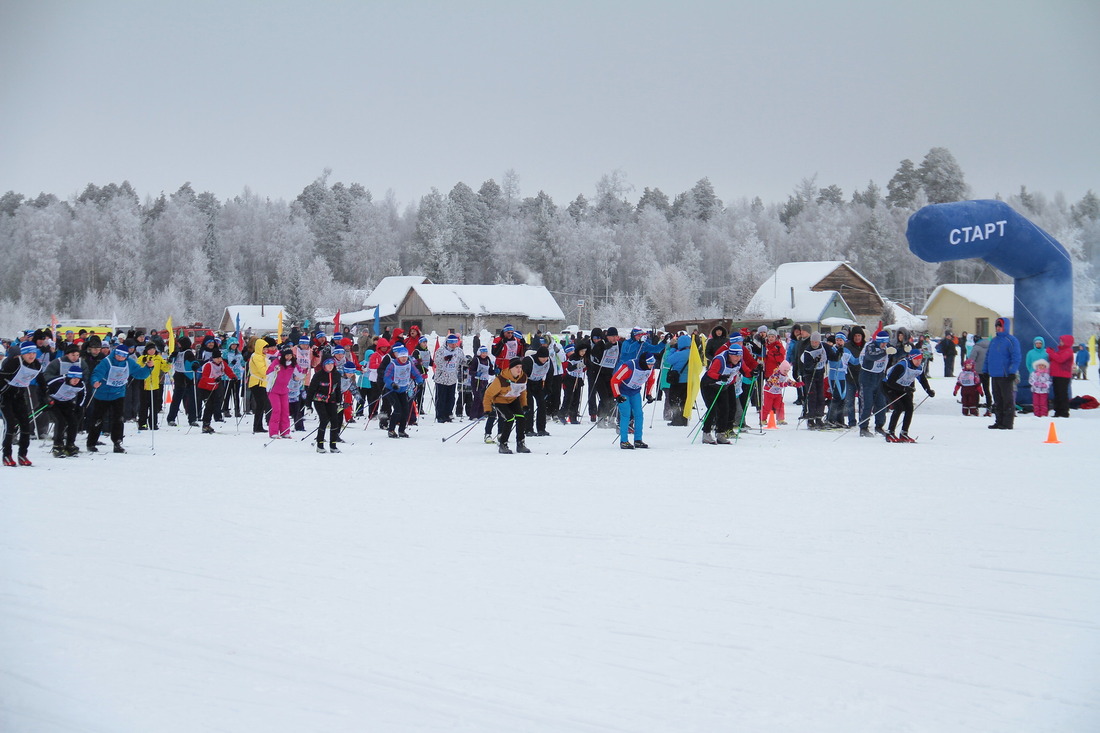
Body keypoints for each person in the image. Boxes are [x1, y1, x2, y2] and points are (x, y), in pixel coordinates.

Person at [86, 344, 153, 453]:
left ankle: (117, 442)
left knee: (118, 419)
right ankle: (91, 442)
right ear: (115, 353)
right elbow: (97, 373)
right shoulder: (106, 361)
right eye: (118, 355)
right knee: (98, 419)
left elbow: (139, 374)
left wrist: (148, 368)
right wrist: (95, 382)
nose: (120, 357)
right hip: (102, 394)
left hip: (118, 394)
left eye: (123, 356)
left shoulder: (129, 363)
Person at [1, 342, 43, 466]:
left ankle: (22, 455)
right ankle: (7, 455)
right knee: (11, 424)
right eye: (29, 353)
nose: (32, 356)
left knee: (25, 425)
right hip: (5, 397)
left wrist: (45, 395)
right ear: (23, 354)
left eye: (34, 353)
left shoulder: (36, 364)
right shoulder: (13, 362)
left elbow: (41, 380)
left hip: (19, 397)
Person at [882, 345, 934, 442]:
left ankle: (904, 433)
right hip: (888, 386)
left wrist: (928, 390)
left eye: (920, 359)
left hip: (902, 388)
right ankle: (890, 433)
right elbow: (890, 382)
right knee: (898, 407)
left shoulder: (919, 368)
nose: (919, 362)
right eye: (916, 359)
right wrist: (904, 388)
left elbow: (922, 380)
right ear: (911, 358)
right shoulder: (902, 365)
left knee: (909, 408)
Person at [483, 357, 530, 454]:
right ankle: (503, 444)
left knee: (521, 417)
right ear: (511, 368)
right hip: (500, 400)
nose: (519, 370)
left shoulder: (523, 377)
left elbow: (523, 391)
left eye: (520, 367)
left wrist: (524, 404)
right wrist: (487, 409)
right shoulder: (501, 379)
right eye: (516, 367)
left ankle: (520, 443)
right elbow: (488, 394)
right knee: (509, 418)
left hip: (513, 399)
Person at [611, 353, 657, 449]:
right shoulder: (629, 367)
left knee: (639, 414)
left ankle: (638, 440)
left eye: (653, 363)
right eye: (649, 363)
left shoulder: (650, 369)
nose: (651, 366)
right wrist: (617, 395)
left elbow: (651, 380)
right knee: (626, 414)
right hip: (623, 392)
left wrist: (648, 394)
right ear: (644, 362)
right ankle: (624, 441)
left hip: (635, 392)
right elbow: (615, 380)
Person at [699, 342, 743, 445]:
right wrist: (720, 377)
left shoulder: (738, 362)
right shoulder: (720, 359)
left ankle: (720, 433)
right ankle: (706, 433)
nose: (737, 358)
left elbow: (738, 372)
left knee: (725, 410)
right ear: (730, 354)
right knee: (713, 409)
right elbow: (711, 373)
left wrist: (753, 371)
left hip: (723, 386)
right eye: (735, 356)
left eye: (739, 356)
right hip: (709, 385)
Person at [985, 317, 1022, 430]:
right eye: (996, 326)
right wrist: (985, 370)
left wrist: (1012, 371)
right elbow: (988, 357)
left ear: (1005, 327)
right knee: (997, 400)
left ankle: (1007, 423)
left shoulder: (1011, 340)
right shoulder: (994, 341)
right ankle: (998, 421)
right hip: (995, 375)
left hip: (1005, 375)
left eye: (1000, 326)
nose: (998, 328)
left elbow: (1016, 357)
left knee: (1007, 400)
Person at [45, 363, 87, 458]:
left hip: (66, 403)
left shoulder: (81, 384)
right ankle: (57, 446)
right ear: (69, 376)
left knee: (73, 422)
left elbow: (83, 396)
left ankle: (70, 445)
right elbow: (43, 387)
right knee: (60, 421)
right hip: (54, 402)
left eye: (78, 378)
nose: (76, 380)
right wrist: (46, 399)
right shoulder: (59, 380)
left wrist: (79, 407)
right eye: (73, 378)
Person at [382, 345, 423, 438]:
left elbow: (416, 373)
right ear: (398, 356)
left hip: (402, 390)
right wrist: (392, 384)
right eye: (402, 357)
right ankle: (391, 430)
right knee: (397, 409)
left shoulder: (409, 364)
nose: (404, 358)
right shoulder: (393, 364)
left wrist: (420, 381)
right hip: (392, 390)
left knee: (405, 410)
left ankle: (401, 430)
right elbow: (386, 377)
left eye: (405, 356)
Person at [858, 331, 893, 438]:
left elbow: (896, 352)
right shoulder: (870, 346)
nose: (884, 344)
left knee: (881, 404)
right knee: (867, 404)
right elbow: (871, 356)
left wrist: (905, 351)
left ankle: (879, 426)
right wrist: (885, 352)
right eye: (882, 342)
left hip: (880, 377)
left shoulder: (887, 347)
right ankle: (863, 427)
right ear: (877, 340)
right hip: (867, 378)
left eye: (886, 342)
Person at [307, 357, 344, 452]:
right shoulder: (318, 375)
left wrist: (339, 401)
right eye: (328, 364)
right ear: (323, 365)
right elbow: (311, 390)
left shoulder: (336, 375)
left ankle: (333, 445)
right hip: (319, 399)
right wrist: (308, 405)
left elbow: (338, 389)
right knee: (324, 419)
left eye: (332, 364)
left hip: (331, 400)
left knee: (335, 421)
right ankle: (320, 445)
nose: (330, 366)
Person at [196, 349, 234, 434]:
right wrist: (214, 380)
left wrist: (233, 377)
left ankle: (208, 424)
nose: (219, 360)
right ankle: (205, 425)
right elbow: (204, 378)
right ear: (213, 358)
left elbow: (228, 370)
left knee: (214, 405)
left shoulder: (222, 363)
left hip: (214, 387)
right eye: (217, 358)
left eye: (220, 358)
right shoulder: (208, 365)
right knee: (209, 405)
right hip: (204, 387)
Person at [267, 347, 301, 438]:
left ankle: (285, 431)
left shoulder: (292, 364)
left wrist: (297, 377)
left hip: (284, 390)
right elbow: (268, 373)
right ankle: (273, 432)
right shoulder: (277, 363)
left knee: (285, 411)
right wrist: (275, 370)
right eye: (287, 355)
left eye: (290, 355)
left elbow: (300, 373)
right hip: (273, 390)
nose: (289, 357)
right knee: (277, 410)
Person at [137, 343, 171, 430]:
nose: (152, 351)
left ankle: (153, 423)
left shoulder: (158, 358)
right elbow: (138, 367)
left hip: (155, 385)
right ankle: (142, 423)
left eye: (153, 349)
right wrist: (143, 362)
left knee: (154, 406)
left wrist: (169, 362)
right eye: (150, 349)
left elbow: (165, 368)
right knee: (144, 406)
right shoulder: (142, 358)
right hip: (144, 385)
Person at [166, 336, 198, 427]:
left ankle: (192, 419)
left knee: (191, 399)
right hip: (179, 377)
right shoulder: (178, 352)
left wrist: (195, 365)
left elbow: (194, 361)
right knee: (176, 399)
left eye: (180, 343)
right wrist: (171, 357)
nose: (178, 345)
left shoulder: (188, 353)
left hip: (188, 377)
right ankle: (171, 418)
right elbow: (170, 361)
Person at [799, 331, 828, 429]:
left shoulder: (823, 348)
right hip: (809, 376)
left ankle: (819, 417)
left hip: (820, 375)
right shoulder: (808, 351)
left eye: (816, 342)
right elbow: (807, 367)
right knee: (812, 396)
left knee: (821, 396)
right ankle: (811, 419)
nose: (814, 344)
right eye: (813, 342)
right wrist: (813, 363)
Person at [522, 346, 553, 436]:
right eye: (542, 357)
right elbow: (522, 376)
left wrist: (548, 388)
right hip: (527, 384)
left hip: (538, 383)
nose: (544, 360)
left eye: (545, 357)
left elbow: (550, 375)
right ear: (538, 356)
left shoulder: (548, 361)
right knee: (529, 405)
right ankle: (528, 429)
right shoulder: (528, 361)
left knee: (542, 405)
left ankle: (541, 428)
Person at [433, 333, 464, 423]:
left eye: (455, 343)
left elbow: (462, 360)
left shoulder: (459, 351)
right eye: (452, 343)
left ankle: (448, 414)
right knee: (441, 398)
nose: (454, 345)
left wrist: (467, 363)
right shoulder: (441, 350)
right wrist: (445, 359)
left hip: (452, 378)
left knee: (451, 398)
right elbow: (437, 361)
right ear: (448, 343)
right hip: (441, 378)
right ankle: (440, 415)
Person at [761, 360, 802, 427]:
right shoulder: (776, 374)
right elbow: (775, 382)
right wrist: (783, 384)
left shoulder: (785, 375)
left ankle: (780, 419)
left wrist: (796, 384)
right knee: (767, 407)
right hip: (769, 392)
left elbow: (788, 382)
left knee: (780, 405)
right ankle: (763, 419)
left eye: (787, 371)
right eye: (785, 370)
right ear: (781, 369)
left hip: (778, 393)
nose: (786, 372)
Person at [663, 335, 691, 427]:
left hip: (677, 381)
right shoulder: (692, 353)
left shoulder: (679, 354)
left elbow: (668, 360)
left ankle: (676, 419)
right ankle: (684, 419)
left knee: (673, 400)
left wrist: (672, 349)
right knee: (684, 401)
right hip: (688, 381)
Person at [1045, 334, 1074, 418]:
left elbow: (1060, 359)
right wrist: (1052, 353)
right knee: (1057, 394)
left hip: (1063, 376)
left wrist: (1051, 352)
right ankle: (1058, 411)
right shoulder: (1060, 350)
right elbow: (1055, 358)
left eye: (1062, 341)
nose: (1060, 342)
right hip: (1056, 375)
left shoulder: (1068, 351)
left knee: (1062, 394)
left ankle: (1064, 412)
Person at [969, 335, 992, 417]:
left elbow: (971, 359)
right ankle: (989, 409)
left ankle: (975, 409)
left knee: (976, 390)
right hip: (987, 371)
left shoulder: (976, 347)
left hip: (977, 372)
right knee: (987, 390)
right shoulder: (990, 346)